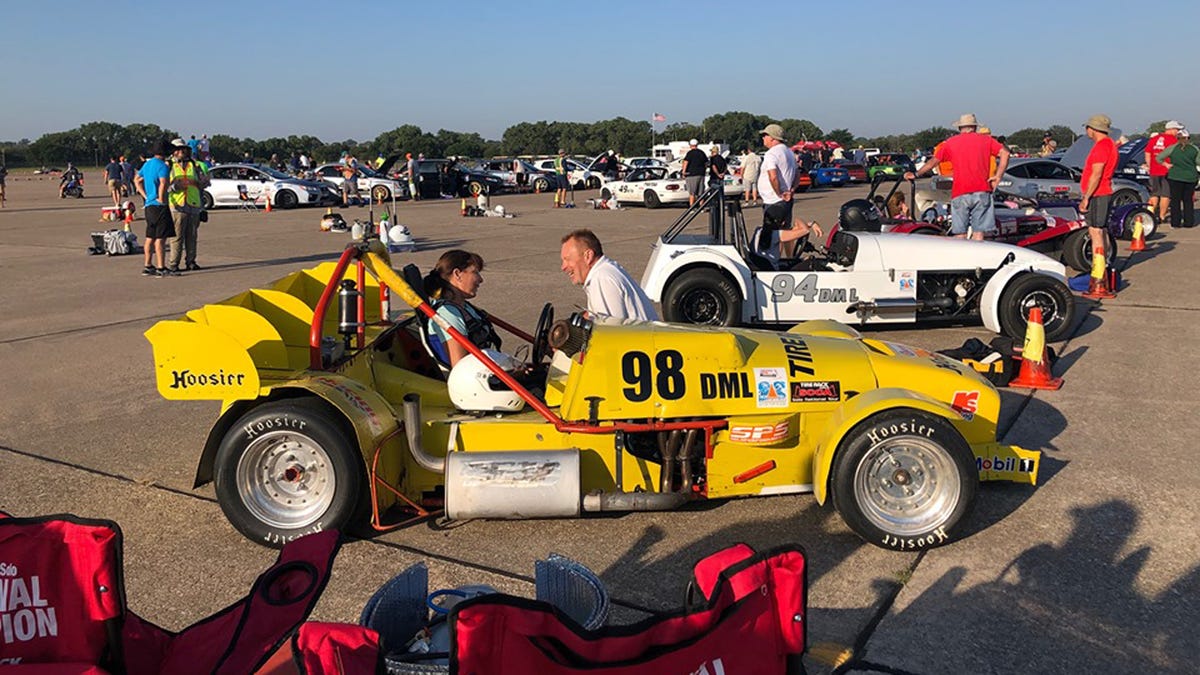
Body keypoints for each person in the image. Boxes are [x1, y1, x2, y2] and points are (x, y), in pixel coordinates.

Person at [906, 113, 1009, 241]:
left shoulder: (951, 143)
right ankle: (978, 258)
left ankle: (962, 259)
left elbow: (933, 162)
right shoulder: (986, 140)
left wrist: (915, 174)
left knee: (960, 234)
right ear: (975, 127)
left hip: (960, 192)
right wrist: (998, 176)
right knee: (979, 233)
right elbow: (1005, 153)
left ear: (960, 128)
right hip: (982, 190)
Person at [422, 250, 503, 368]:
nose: (481, 279)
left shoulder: (465, 307)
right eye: (475, 272)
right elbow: (460, 367)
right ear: (457, 274)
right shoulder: (448, 314)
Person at [560, 229, 658, 321]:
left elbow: (610, 330)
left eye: (567, 259)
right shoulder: (606, 270)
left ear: (588, 256)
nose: (563, 267)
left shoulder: (602, 278)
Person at [1078, 114, 1119, 296]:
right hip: (1103, 192)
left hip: (1098, 193)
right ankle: (1103, 264)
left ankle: (1098, 270)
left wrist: (1086, 197)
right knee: (1100, 229)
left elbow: (1096, 173)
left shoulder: (1102, 146)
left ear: (1092, 129)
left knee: (1095, 231)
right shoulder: (1109, 144)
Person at [757, 124, 799, 257]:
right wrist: (791, 190)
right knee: (786, 230)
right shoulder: (789, 152)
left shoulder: (771, 154)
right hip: (786, 199)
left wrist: (779, 193)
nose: (763, 138)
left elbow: (773, 176)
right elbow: (797, 174)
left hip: (773, 200)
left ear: (772, 138)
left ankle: (774, 260)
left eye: (765, 135)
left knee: (774, 235)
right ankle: (789, 258)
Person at [167, 138, 208, 273]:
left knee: (192, 236)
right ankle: (174, 264)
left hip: (193, 204)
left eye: (184, 149)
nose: (182, 151)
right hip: (177, 204)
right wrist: (174, 186)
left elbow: (205, 183)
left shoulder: (195, 165)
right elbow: (162, 185)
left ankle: (191, 261)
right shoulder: (168, 165)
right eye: (179, 149)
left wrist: (202, 182)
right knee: (177, 237)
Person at [135, 140, 175, 277]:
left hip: (149, 205)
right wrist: (161, 197)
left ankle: (147, 265)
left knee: (149, 237)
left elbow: (137, 180)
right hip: (159, 206)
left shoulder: (147, 165)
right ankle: (161, 266)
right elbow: (163, 183)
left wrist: (145, 195)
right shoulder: (163, 166)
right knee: (161, 238)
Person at [1156, 128, 1199, 229]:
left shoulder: (1172, 148)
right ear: (1188, 138)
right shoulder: (1194, 149)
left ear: (1178, 138)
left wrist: (1166, 164)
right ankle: (1189, 222)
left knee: (1175, 201)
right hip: (1190, 177)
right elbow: (1198, 162)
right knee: (1188, 200)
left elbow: (1159, 158)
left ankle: (1176, 223)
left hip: (1175, 176)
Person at [1145, 120, 1182, 223]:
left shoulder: (1154, 139)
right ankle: (1161, 216)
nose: (1178, 132)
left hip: (1153, 171)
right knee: (1166, 194)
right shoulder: (1173, 140)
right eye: (1177, 129)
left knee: (1154, 194)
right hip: (1166, 171)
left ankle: (1150, 215)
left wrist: (1149, 165)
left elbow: (1147, 153)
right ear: (1171, 129)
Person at [680, 139, 708, 206]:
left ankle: (691, 207)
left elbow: (686, 162)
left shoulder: (690, 153)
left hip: (691, 175)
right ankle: (702, 207)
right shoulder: (702, 153)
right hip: (701, 174)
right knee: (701, 192)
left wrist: (683, 172)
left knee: (692, 193)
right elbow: (706, 163)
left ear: (690, 145)